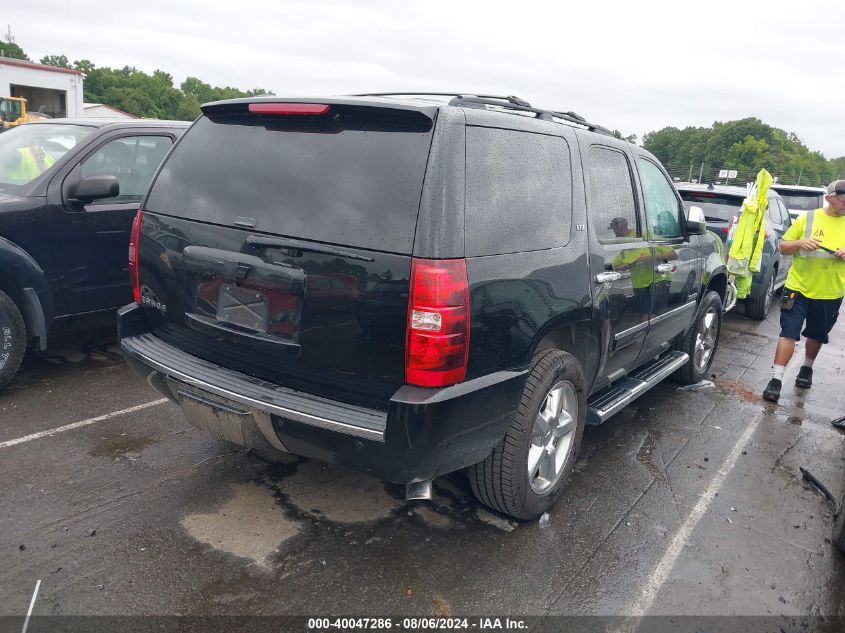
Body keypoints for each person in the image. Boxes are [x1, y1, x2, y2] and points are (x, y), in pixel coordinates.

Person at [762, 180, 845, 403]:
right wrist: (801, 243)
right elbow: (783, 246)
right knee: (788, 331)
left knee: (816, 334)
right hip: (798, 287)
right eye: (843, 200)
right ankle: (776, 379)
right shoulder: (808, 218)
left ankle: (806, 368)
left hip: (830, 292)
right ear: (829, 198)